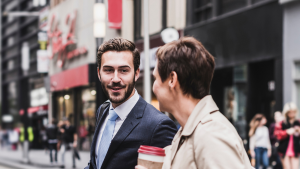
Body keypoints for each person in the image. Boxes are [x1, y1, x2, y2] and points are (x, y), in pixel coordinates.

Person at [136, 37, 252, 169]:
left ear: (172, 79)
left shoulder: (210, 134)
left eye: (156, 78)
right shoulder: (187, 132)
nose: (154, 87)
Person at [84, 38, 177, 169]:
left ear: (136, 73)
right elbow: (95, 164)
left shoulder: (158, 126)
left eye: (123, 70)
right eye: (108, 70)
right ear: (99, 73)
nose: (115, 79)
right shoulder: (103, 110)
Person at [275, 102, 300, 169]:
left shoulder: (298, 122)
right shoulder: (282, 123)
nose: (292, 114)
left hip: (295, 149)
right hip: (284, 150)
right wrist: (286, 132)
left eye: (293, 112)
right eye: (290, 112)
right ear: (286, 113)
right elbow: (277, 135)